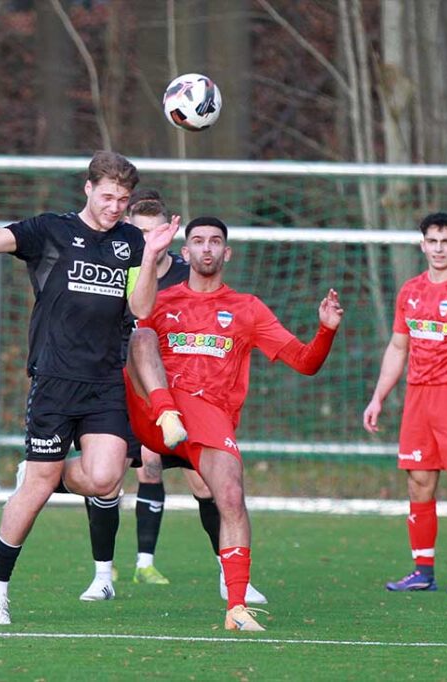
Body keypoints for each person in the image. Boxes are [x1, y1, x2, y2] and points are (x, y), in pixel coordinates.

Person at [0, 151, 180, 625]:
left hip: (104, 382)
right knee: (38, 486)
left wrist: (150, 253)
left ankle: (45, 474)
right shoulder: (51, 231)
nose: (115, 206)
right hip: (55, 379)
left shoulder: (128, 241)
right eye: (107, 196)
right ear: (88, 189)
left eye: (123, 199)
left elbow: (142, 309)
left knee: (105, 479)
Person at [124, 216, 344, 631]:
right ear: (184, 252)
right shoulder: (160, 301)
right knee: (140, 335)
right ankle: (163, 411)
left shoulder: (248, 308)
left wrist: (325, 330)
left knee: (230, 494)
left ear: (227, 253)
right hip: (155, 411)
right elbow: (135, 333)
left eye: (215, 242)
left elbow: (306, 362)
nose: (206, 248)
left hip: (207, 419)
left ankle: (237, 607)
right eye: (197, 241)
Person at [84, 190, 267, 604]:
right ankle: (103, 574)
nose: (148, 238)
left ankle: (227, 572)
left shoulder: (185, 275)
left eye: (155, 230)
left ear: (169, 231)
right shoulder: (113, 265)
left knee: (204, 483)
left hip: (174, 397)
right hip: (115, 384)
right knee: (108, 477)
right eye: (139, 230)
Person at [362, 212, 447, 596]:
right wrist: (378, 398)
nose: (439, 249)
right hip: (418, 397)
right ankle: (422, 570)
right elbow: (397, 347)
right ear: (422, 244)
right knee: (419, 482)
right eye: (432, 241)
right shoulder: (409, 291)